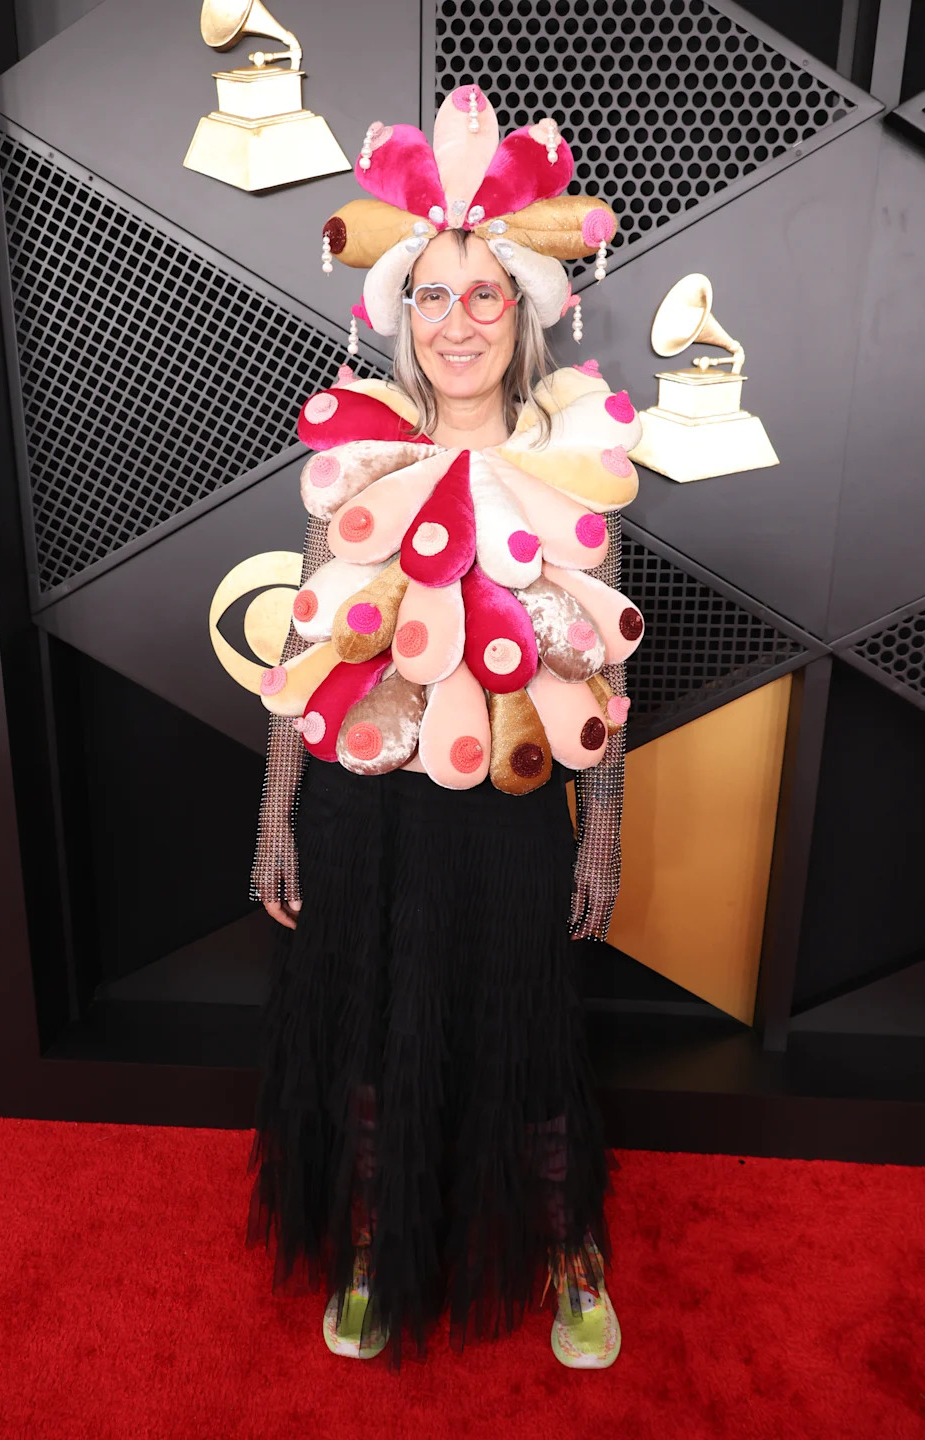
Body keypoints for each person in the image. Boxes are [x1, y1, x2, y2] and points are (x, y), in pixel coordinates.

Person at [238, 87, 646, 1370]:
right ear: (398, 312)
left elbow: (603, 675)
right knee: (369, 1037)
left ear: (524, 311)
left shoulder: (577, 462)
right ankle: (375, 1242)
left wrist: (604, 833)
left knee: (523, 1038)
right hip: (367, 806)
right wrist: (276, 819)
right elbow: (309, 650)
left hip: (515, 806)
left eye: (485, 295)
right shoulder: (353, 460)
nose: (457, 320)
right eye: (432, 293)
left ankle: (566, 1251)